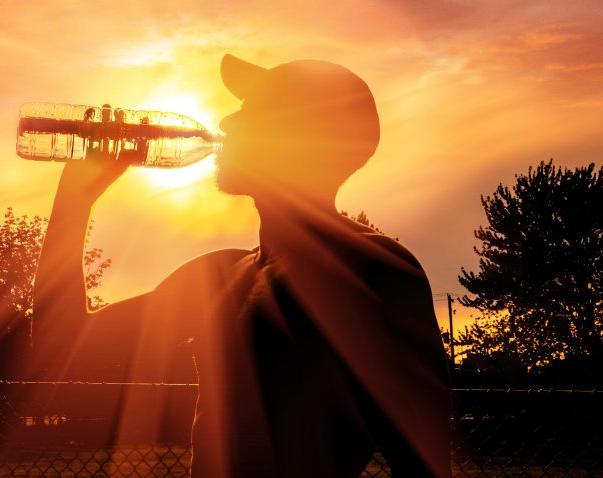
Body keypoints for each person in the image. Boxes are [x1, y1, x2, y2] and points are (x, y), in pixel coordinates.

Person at [31, 54, 451, 477]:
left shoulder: (371, 271)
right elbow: (63, 346)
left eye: (254, 112)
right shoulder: (218, 275)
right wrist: (75, 199)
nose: (228, 124)